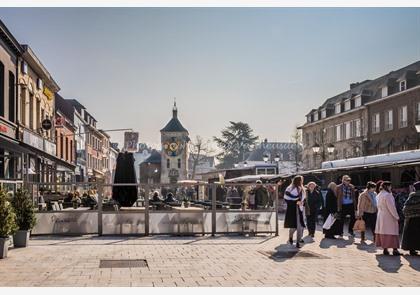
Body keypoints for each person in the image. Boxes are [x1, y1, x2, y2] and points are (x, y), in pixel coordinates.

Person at [375, 181, 401, 256]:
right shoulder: (388, 195)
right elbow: (391, 207)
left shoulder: (379, 195)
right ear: (387, 186)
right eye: (390, 186)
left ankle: (385, 249)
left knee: (383, 231)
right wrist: (396, 216)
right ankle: (395, 250)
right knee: (392, 232)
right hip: (388, 216)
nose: (391, 188)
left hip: (381, 215)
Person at [284, 175, 306, 248]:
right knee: (294, 226)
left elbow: (303, 198)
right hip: (293, 210)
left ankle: (298, 242)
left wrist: (303, 203)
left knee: (300, 226)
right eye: (301, 180)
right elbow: (287, 198)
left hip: (300, 209)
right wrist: (296, 201)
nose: (302, 181)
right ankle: (290, 238)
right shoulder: (290, 188)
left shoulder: (302, 188)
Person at [401, 181, 420, 256]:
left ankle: (412, 249)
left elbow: (406, 207)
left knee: (411, 234)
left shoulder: (412, 195)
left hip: (411, 218)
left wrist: (407, 214)